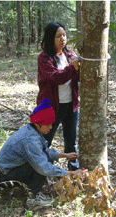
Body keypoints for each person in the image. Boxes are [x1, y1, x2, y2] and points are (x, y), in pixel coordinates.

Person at [0, 98, 85, 208]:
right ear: (38, 124)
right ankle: (33, 198)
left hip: (13, 169)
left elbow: (44, 151)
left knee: (45, 158)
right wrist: (71, 173)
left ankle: (36, 188)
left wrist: (64, 155)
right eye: (47, 125)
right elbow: (43, 168)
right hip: (5, 176)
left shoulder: (33, 131)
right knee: (41, 165)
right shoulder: (30, 139)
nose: (51, 128)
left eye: (51, 124)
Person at [36, 22, 81, 171]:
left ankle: (74, 175)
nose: (62, 39)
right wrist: (72, 67)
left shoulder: (70, 55)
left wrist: (78, 67)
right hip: (49, 107)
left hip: (71, 105)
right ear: (50, 38)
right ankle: (40, 172)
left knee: (71, 142)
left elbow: (78, 76)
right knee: (44, 141)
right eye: (58, 36)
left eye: (64, 35)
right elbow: (55, 77)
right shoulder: (44, 58)